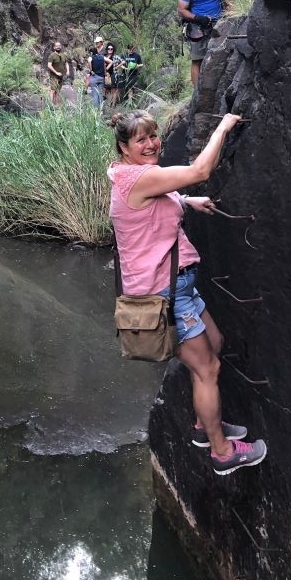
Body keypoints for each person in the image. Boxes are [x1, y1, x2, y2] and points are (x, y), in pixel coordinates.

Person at [107, 109, 267, 476]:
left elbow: (152, 206)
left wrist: (186, 202)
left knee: (215, 340)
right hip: (164, 294)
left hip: (178, 285)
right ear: (124, 148)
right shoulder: (140, 178)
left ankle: (203, 426)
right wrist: (224, 126)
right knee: (207, 368)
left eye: (153, 135)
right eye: (140, 140)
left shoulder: (128, 177)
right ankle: (222, 452)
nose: (150, 144)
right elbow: (199, 173)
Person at [177, 0, 230, 88]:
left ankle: (218, 88)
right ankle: (197, 93)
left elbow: (229, 3)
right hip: (197, 28)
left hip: (218, 26)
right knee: (197, 60)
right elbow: (181, 10)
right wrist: (198, 18)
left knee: (221, 57)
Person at [86, 37, 111, 111]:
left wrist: (91, 70)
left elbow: (89, 62)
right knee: (100, 93)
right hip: (101, 77)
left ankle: (95, 111)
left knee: (94, 94)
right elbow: (110, 62)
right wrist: (105, 70)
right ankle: (101, 110)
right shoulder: (102, 57)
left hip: (94, 77)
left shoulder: (91, 58)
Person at [47, 41, 70, 107]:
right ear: (54, 47)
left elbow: (66, 63)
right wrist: (56, 72)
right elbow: (49, 65)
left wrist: (68, 71)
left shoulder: (63, 55)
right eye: (56, 46)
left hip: (61, 76)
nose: (58, 47)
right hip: (54, 76)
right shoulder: (52, 55)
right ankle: (51, 105)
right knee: (53, 90)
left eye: (59, 46)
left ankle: (56, 105)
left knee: (58, 91)